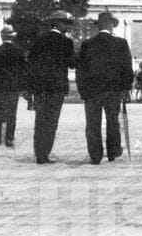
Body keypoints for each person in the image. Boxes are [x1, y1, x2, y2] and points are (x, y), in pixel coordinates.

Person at [76, 11, 134, 165]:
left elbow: (80, 70)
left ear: (99, 26)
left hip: (91, 91)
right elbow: (127, 69)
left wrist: (82, 90)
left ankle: (95, 155)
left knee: (92, 124)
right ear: (110, 25)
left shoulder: (87, 44)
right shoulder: (121, 43)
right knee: (113, 121)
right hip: (113, 90)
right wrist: (126, 89)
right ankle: (113, 151)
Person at [28, 11, 76, 164]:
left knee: (40, 120)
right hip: (56, 88)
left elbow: (31, 64)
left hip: (40, 87)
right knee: (52, 121)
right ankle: (45, 153)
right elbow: (72, 63)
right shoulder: (66, 42)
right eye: (65, 23)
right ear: (58, 24)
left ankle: (40, 154)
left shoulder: (38, 40)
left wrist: (31, 87)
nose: (67, 26)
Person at [0, 26, 29, 147]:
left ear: (1, 36)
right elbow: (23, 71)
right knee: (11, 113)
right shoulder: (18, 52)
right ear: (13, 37)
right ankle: (9, 138)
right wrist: (23, 86)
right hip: (12, 88)